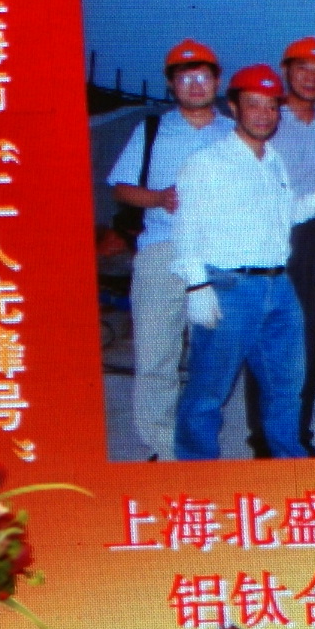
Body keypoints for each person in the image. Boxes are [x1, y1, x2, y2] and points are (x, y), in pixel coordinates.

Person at [170, 64, 315, 461]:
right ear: (233, 107)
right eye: (254, 105)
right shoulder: (208, 162)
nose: (264, 114)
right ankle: (196, 471)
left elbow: (285, 216)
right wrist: (197, 286)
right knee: (208, 392)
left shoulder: (273, 161)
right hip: (230, 290)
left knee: (286, 389)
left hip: (280, 288)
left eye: (271, 106)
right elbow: (185, 228)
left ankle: (287, 464)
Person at [106, 40, 235, 462]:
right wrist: (159, 198)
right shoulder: (151, 130)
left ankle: (199, 439)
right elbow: (122, 188)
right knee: (156, 354)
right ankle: (163, 447)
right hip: (162, 252)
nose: (195, 86)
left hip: (219, 258)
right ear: (171, 84)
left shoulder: (235, 133)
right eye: (185, 78)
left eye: (203, 77)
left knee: (213, 357)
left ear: (217, 81)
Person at [262, 35, 315, 454]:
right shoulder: (267, 117)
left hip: (313, 237)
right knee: (268, 338)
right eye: (303, 69)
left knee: (310, 336)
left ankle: (299, 433)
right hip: (269, 233)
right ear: (285, 72)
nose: (311, 78)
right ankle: (265, 438)